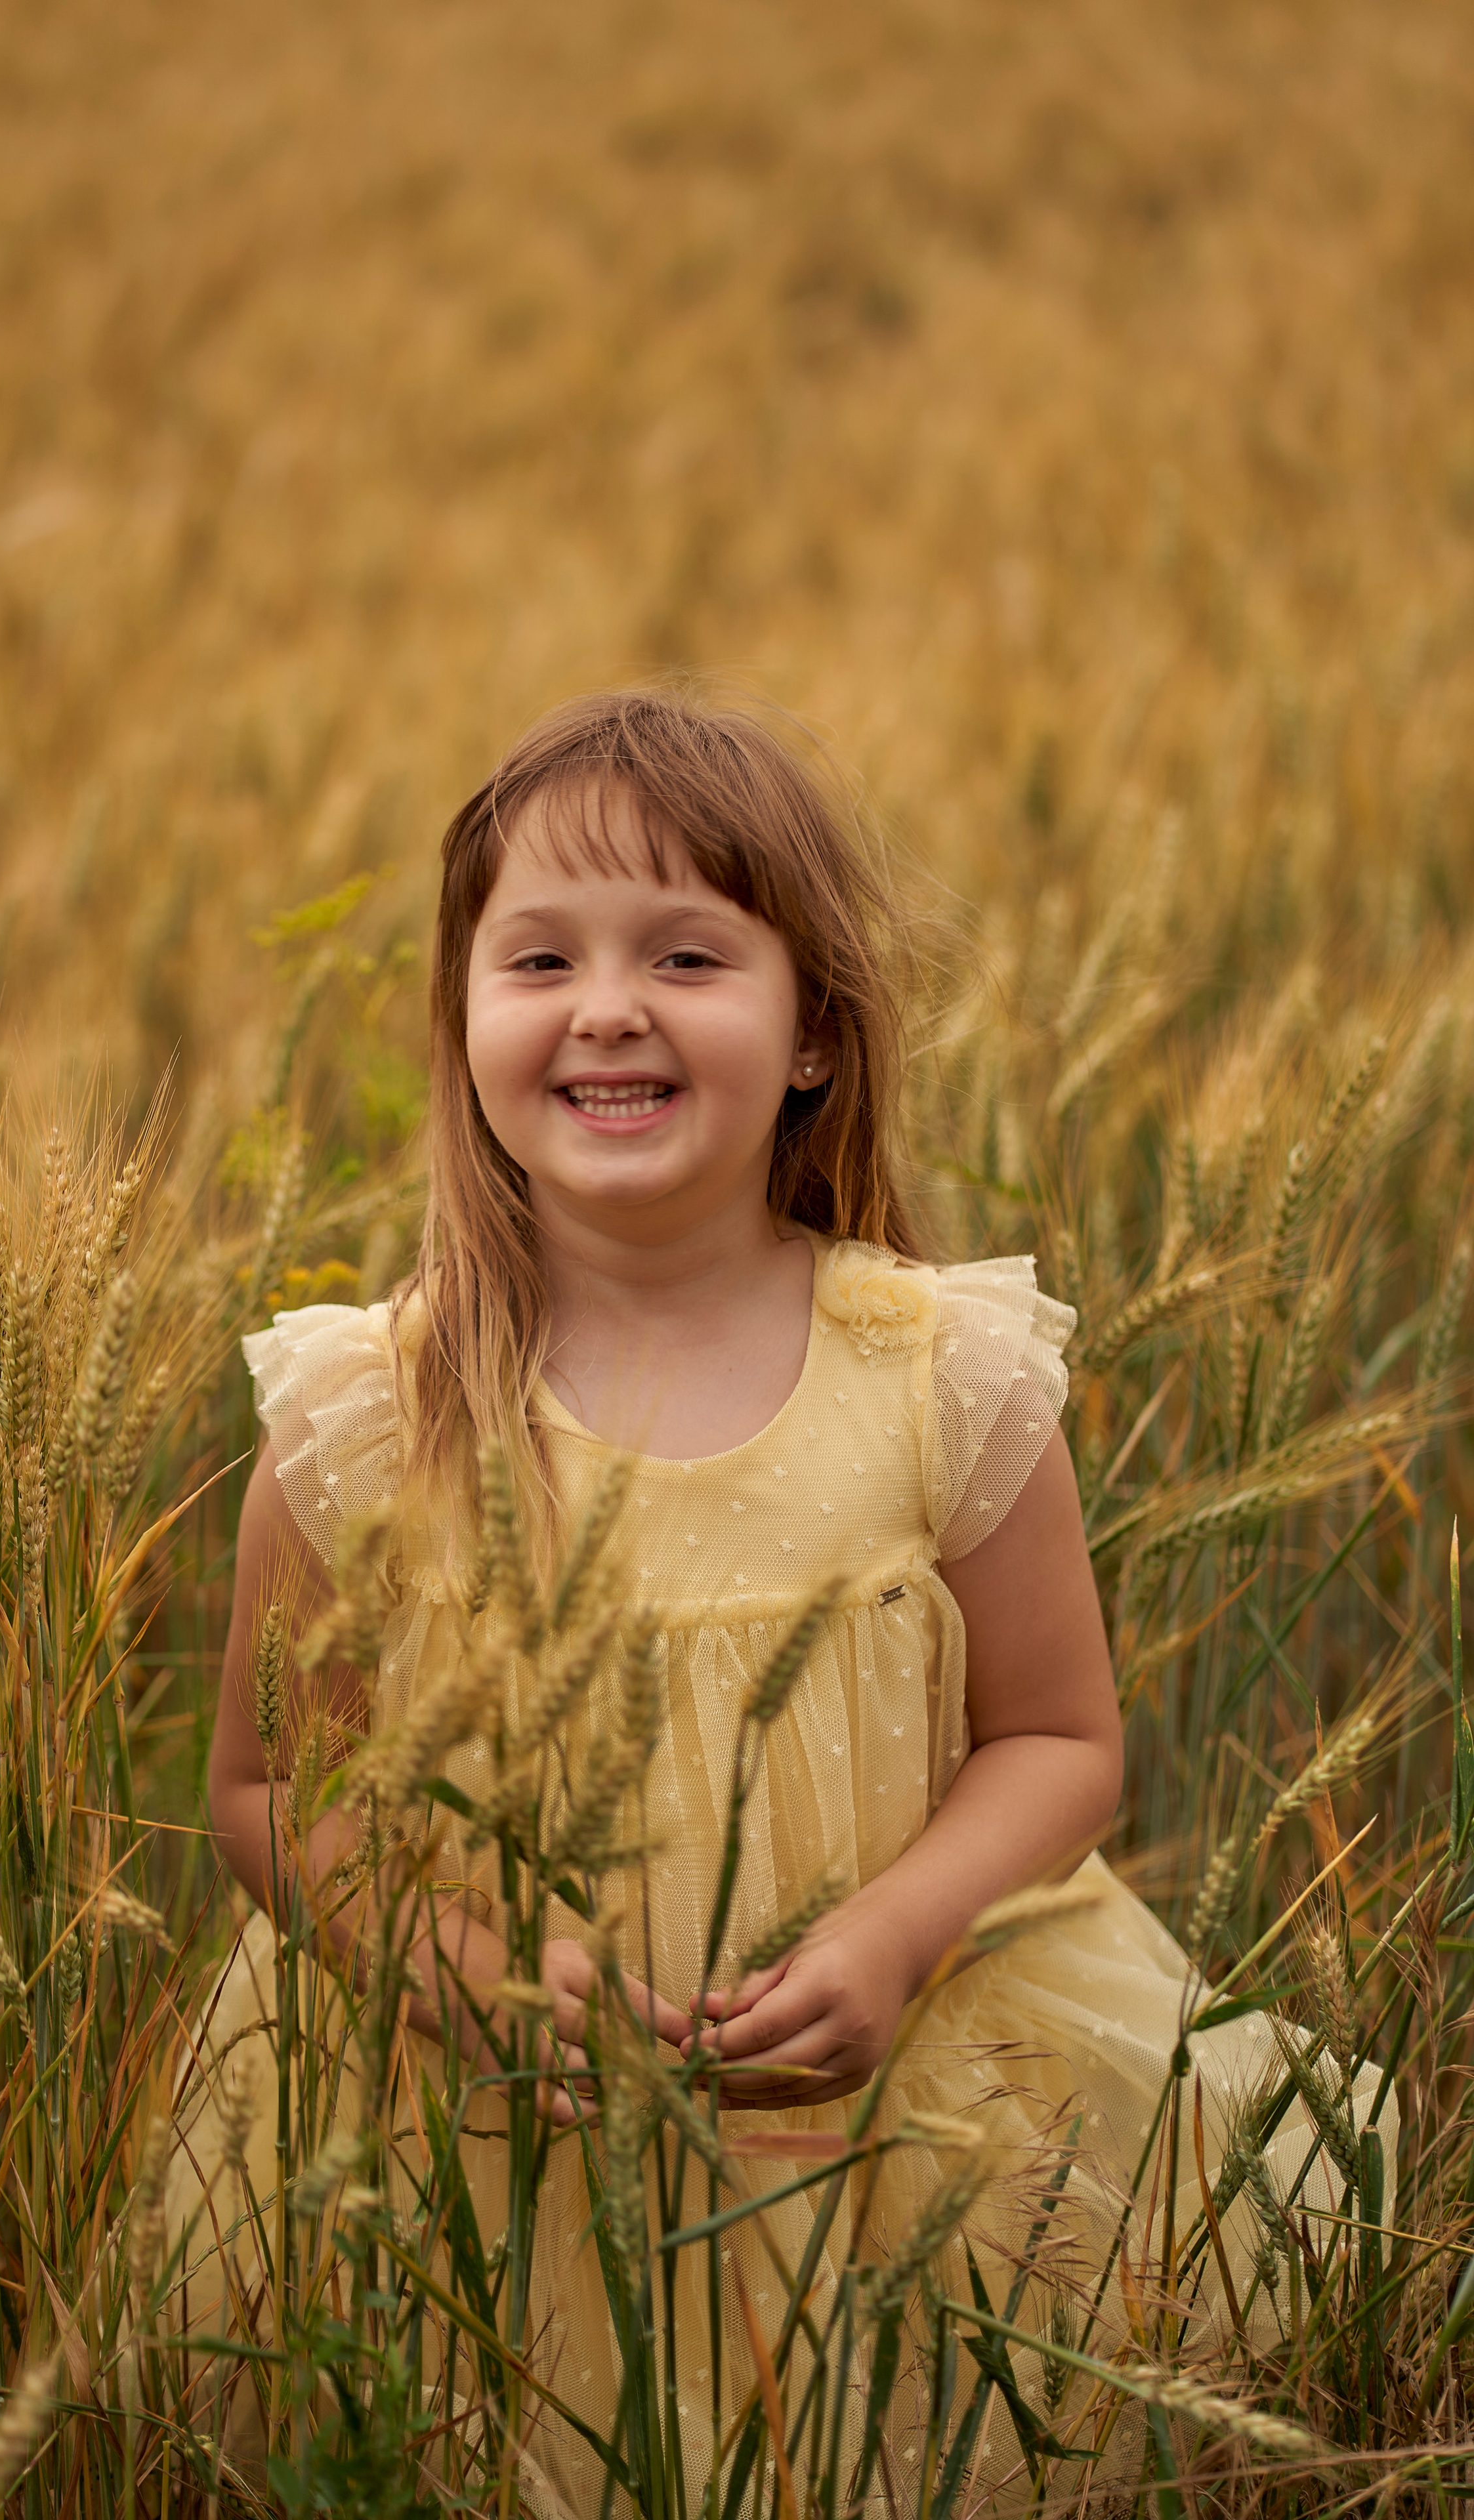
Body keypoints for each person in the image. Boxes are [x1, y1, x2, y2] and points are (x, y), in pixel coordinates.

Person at [171, 689, 1392, 2513]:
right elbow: (274, 1795)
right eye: (540, 959)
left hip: (894, 2116)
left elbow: (1059, 1737)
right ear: (467, 1023)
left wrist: (896, 1935)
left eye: (686, 951)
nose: (608, 1007)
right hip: (483, 2141)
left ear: (815, 1029)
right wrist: (453, 1971)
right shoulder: (371, 1415)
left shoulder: (941, 1373)